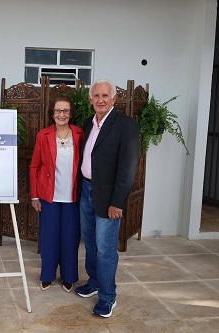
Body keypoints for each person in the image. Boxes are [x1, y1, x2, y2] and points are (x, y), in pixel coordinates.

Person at [75, 79, 139, 318]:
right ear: (91, 100)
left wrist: (118, 202)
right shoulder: (88, 124)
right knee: (90, 242)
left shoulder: (125, 125)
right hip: (86, 191)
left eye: (105, 95)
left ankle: (108, 296)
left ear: (114, 99)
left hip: (109, 198)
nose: (100, 100)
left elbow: (128, 168)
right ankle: (94, 282)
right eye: (96, 96)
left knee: (105, 249)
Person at [30, 96, 83, 293]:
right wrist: (35, 195)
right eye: (58, 111)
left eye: (65, 111)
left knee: (70, 238)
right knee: (49, 238)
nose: (61, 114)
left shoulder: (79, 134)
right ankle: (47, 275)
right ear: (52, 113)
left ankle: (69, 277)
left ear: (71, 113)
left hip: (73, 197)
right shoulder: (43, 135)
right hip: (48, 196)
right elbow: (34, 166)